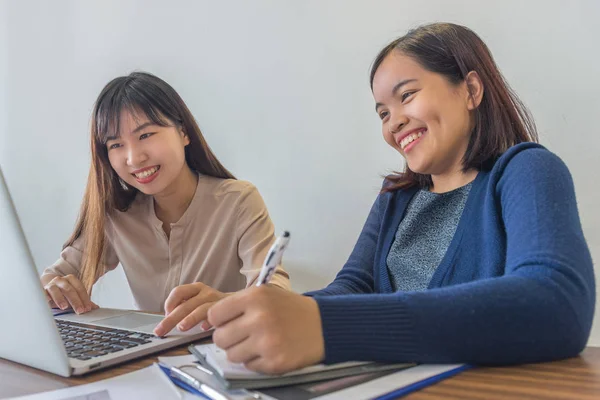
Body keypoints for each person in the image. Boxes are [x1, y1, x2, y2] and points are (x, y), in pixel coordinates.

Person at [205, 22, 595, 374]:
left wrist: (326, 325)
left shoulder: (525, 170)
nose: (394, 123)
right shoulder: (395, 198)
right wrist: (250, 314)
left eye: (406, 96)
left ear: (471, 90)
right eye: (382, 113)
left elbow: (557, 304)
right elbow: (352, 288)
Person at [41, 72, 290, 337]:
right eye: (116, 145)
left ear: (183, 132)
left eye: (146, 135)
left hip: (222, 353)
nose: (134, 158)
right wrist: (53, 289)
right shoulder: (117, 216)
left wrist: (224, 303)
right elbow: (52, 279)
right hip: (144, 360)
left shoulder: (238, 201)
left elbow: (276, 294)